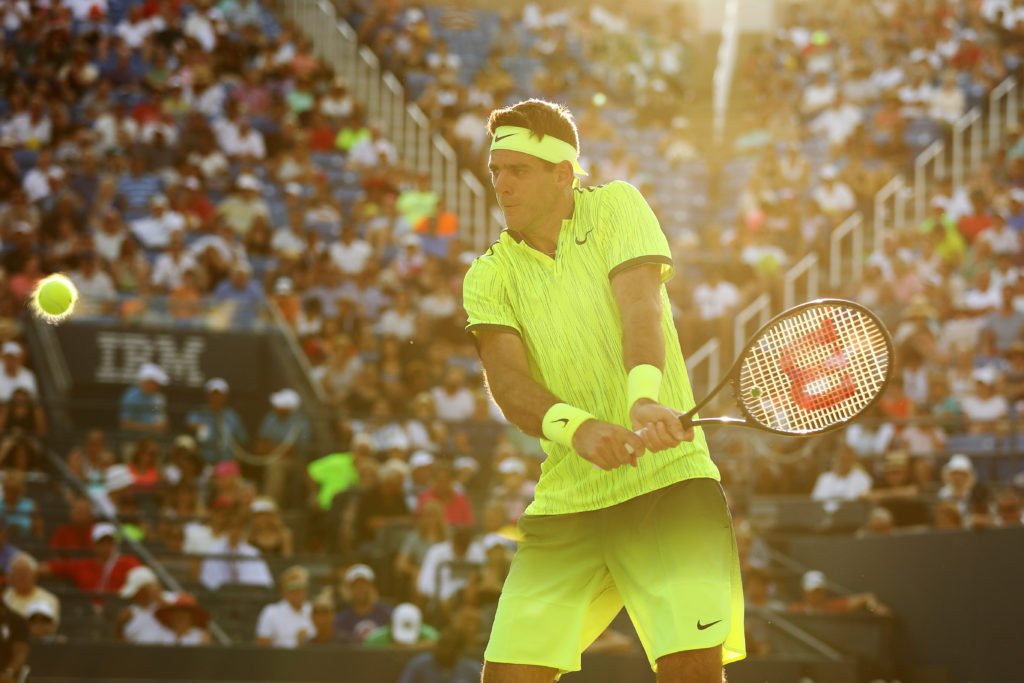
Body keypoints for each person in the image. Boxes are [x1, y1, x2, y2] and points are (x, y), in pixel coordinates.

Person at [461, 99, 744, 680]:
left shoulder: (617, 204)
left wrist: (643, 397)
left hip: (670, 484)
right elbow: (508, 382)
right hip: (568, 503)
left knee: (691, 672)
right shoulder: (487, 274)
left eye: (518, 170)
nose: (502, 185)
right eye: (496, 172)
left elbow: (639, 304)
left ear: (563, 173)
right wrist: (579, 429)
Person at [185, 378, 248, 465]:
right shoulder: (200, 413)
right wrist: (199, 427)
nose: (217, 398)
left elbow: (242, 439)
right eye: (213, 395)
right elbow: (189, 422)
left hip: (227, 461)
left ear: (225, 397)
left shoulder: (232, 416)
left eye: (220, 395)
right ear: (208, 396)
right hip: (204, 460)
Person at [255, 566, 315, 648]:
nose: (297, 590)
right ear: (283, 590)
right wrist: (296, 644)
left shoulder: (315, 610)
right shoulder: (271, 612)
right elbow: (262, 646)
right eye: (292, 586)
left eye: (301, 585)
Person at [334, 564, 391, 644]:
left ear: (372, 587)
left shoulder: (386, 614)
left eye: (364, 585)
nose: (360, 589)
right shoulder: (342, 619)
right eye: (356, 586)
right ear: (350, 589)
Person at [119, 363, 169, 433]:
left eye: (156, 384)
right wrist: (149, 428)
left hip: (153, 437)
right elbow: (125, 423)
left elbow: (162, 421)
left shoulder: (159, 398)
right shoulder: (130, 396)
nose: (154, 386)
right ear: (143, 382)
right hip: (132, 437)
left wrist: (161, 426)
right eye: (151, 383)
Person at [364, 602, 440, 648]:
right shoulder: (376, 638)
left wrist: (414, 646)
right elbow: (368, 647)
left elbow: (440, 643)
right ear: (391, 625)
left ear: (420, 626)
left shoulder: (430, 635)